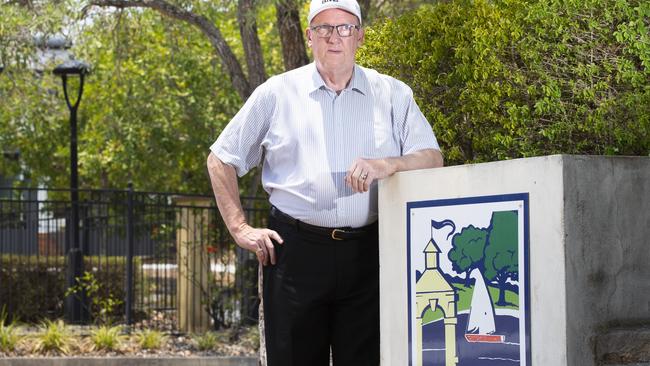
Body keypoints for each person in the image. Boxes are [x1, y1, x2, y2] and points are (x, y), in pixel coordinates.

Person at [207, 0, 443, 364]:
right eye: (324, 28)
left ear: (360, 35)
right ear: (309, 36)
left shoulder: (393, 94)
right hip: (295, 255)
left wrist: (387, 164)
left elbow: (432, 158)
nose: (335, 37)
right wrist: (240, 228)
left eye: (345, 27)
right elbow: (221, 158)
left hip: (369, 254)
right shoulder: (276, 93)